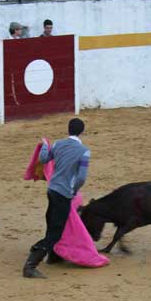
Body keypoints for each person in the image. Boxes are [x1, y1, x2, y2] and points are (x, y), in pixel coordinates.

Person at [23, 118, 91, 279]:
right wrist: (74, 190)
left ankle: (52, 256)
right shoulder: (84, 151)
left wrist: (45, 146)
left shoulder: (57, 144)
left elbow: (43, 159)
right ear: (82, 131)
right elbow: (81, 178)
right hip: (64, 194)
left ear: (68, 130)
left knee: (52, 224)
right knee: (55, 232)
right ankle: (31, 265)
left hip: (52, 190)